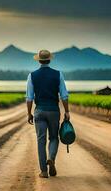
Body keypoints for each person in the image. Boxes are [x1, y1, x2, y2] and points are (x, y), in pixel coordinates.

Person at [26, 49, 70, 178]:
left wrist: (29, 113)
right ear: (49, 60)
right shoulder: (58, 74)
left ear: (39, 61)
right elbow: (64, 96)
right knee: (54, 138)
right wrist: (67, 111)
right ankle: (51, 157)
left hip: (39, 111)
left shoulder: (32, 75)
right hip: (53, 111)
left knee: (41, 141)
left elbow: (29, 98)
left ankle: (44, 171)